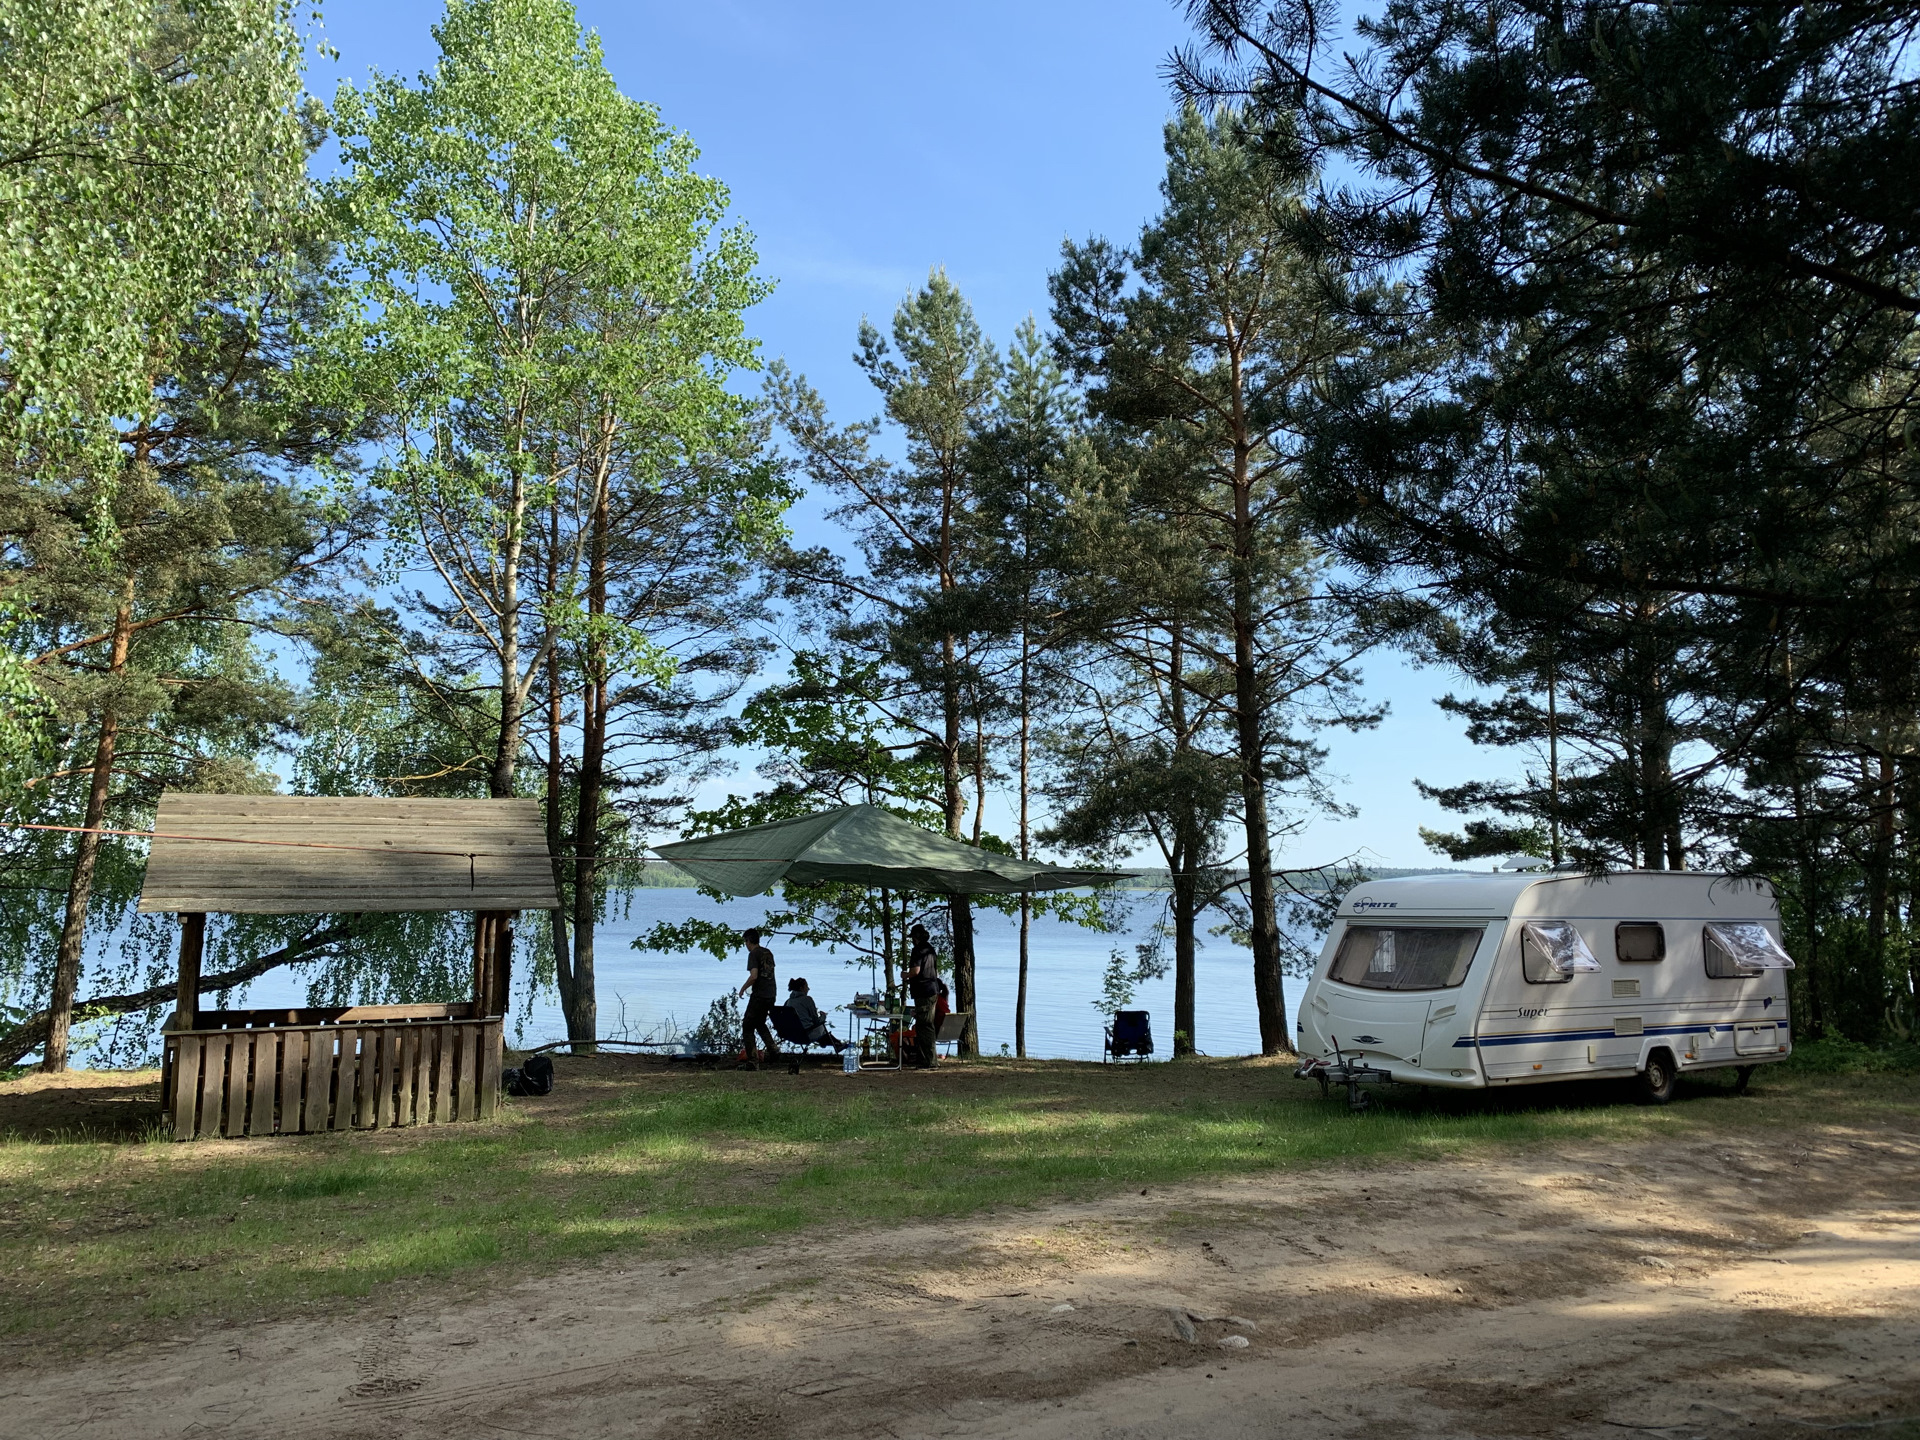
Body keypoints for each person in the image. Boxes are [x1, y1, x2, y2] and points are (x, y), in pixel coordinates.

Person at [737, 928, 779, 1068]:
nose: (746, 945)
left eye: (746, 942)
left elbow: (754, 976)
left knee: (747, 1026)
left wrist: (743, 988)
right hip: (771, 994)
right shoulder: (768, 953)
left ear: (749, 941)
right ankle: (774, 1050)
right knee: (760, 1023)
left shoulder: (753, 954)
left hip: (760, 995)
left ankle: (753, 1061)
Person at [905, 923, 939, 1068]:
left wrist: (905, 975)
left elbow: (915, 971)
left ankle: (929, 1061)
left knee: (924, 1026)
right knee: (924, 1025)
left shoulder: (918, 950)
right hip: (932, 990)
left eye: (912, 937)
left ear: (915, 937)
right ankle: (925, 1059)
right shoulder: (931, 950)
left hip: (923, 992)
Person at [786, 977, 848, 1052]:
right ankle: (836, 1044)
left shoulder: (788, 1002)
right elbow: (816, 1021)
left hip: (791, 1035)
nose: (808, 989)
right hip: (805, 1035)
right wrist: (823, 1016)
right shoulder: (807, 1000)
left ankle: (836, 1043)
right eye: (806, 987)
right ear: (801, 988)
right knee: (821, 1027)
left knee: (818, 1030)